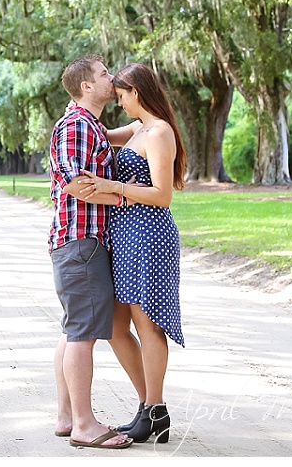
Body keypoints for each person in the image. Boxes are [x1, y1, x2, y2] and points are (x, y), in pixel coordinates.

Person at [76, 63, 187, 444]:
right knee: (115, 326)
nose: (119, 102)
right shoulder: (139, 128)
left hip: (149, 236)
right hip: (125, 237)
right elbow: (99, 132)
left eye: (122, 95)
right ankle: (147, 407)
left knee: (148, 325)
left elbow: (162, 195)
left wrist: (113, 186)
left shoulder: (159, 133)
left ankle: (154, 410)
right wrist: (81, 100)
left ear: (136, 93)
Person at [48, 54, 132, 450]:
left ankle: (67, 416)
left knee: (73, 330)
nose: (110, 78)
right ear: (86, 86)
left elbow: (105, 151)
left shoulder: (91, 124)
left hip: (83, 240)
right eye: (104, 74)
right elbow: (73, 182)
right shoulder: (78, 125)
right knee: (83, 334)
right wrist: (123, 198)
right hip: (82, 241)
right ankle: (84, 423)